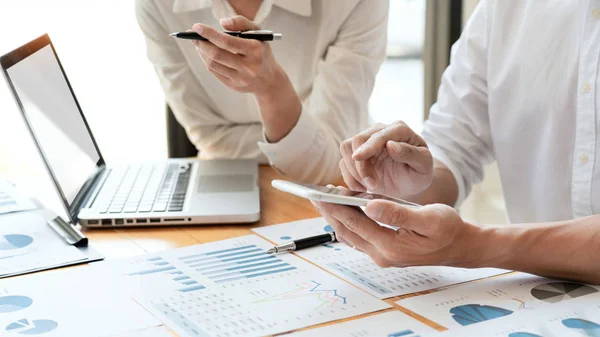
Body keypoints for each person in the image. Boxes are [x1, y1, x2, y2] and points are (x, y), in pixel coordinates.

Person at [312, 0, 600, 285]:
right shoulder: (502, 9)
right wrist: (410, 182)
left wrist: (476, 246)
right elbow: (452, 150)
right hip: (536, 296)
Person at [135, 0, 388, 183]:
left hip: (337, 192)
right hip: (225, 181)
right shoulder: (157, 4)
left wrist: (272, 88)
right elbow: (208, 135)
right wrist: (302, 139)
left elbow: (333, 163)